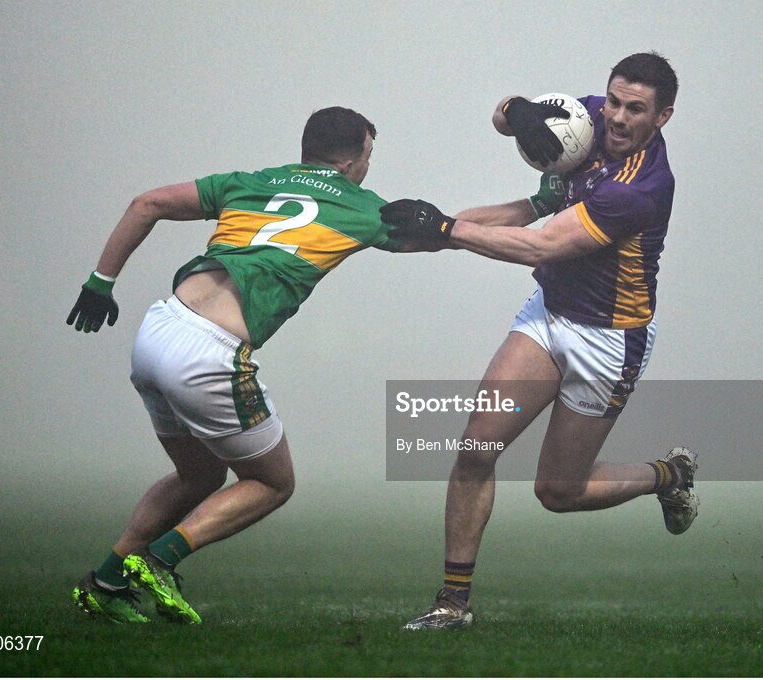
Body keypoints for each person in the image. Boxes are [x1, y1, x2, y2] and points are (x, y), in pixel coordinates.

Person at [380, 52, 697, 629]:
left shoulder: (642, 187)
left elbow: (542, 245)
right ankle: (452, 605)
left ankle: (668, 475)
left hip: (608, 340)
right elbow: (504, 119)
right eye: (616, 101)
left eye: (637, 109)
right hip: (549, 314)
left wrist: (445, 229)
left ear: (664, 116)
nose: (619, 119)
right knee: (476, 446)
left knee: (558, 491)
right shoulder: (595, 115)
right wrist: (518, 115)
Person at [67, 106, 405, 623]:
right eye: (369, 154)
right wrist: (538, 206)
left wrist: (100, 282)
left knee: (198, 474)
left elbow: (147, 202)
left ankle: (104, 582)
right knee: (272, 483)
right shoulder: (362, 206)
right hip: (210, 354)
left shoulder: (250, 182)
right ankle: (158, 560)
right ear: (355, 156)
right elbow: (459, 230)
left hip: (159, 330)